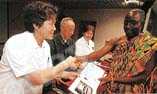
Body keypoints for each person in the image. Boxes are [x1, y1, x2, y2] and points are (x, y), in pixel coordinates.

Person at [0, 1, 80, 94]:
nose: (54, 28)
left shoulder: (45, 45)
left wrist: (66, 74)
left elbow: (47, 72)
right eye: (51, 24)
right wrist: (66, 63)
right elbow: (36, 79)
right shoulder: (17, 43)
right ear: (36, 25)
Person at [98, 9, 157, 93]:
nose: (128, 26)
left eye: (133, 23)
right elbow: (118, 62)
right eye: (126, 23)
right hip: (112, 89)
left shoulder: (153, 44)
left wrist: (114, 79)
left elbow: (143, 76)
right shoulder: (123, 43)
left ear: (142, 25)